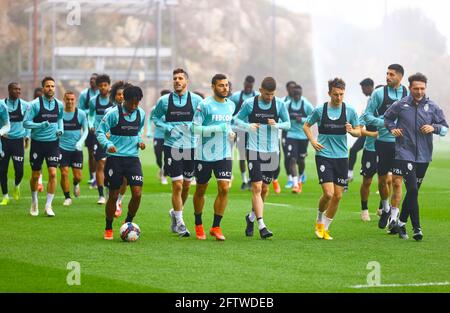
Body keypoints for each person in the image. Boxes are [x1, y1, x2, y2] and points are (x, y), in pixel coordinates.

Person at [384, 73, 448, 240]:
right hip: (405, 153)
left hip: (424, 155)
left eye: (422, 88)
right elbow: (387, 119)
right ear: (410, 87)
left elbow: (445, 128)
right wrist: (392, 129)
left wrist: (433, 128)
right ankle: (417, 228)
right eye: (416, 88)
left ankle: (401, 222)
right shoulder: (401, 104)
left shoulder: (432, 106)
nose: (419, 91)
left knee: (413, 192)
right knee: (412, 189)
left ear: (425, 88)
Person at [303, 78, 361, 240]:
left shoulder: (349, 111)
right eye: (335, 94)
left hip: (342, 157)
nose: (339, 97)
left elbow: (359, 131)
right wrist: (313, 141)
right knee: (328, 194)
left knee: (338, 196)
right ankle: (319, 219)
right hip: (324, 156)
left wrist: (351, 131)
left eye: (341, 94)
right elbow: (306, 126)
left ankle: (325, 229)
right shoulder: (319, 110)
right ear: (329, 93)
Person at [235, 77, 291, 239]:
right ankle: (261, 225)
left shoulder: (279, 104)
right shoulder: (249, 103)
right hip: (253, 150)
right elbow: (236, 119)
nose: (269, 97)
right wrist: (247, 126)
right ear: (260, 90)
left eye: (272, 94)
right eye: (267, 94)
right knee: (257, 188)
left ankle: (251, 217)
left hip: (272, 151)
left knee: (265, 189)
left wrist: (277, 125)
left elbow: (288, 124)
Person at [151, 68, 203, 237]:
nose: (177, 81)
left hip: (191, 148)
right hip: (172, 147)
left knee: (187, 186)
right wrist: (167, 127)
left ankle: (175, 213)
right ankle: (180, 223)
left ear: (186, 81)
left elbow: (202, 119)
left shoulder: (196, 100)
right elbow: (155, 118)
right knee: (178, 185)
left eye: (180, 78)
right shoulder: (164, 101)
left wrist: (195, 127)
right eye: (175, 78)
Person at [97, 85, 146, 240]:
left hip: (133, 159)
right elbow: (100, 131)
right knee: (113, 195)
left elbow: (138, 131)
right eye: (131, 102)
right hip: (115, 158)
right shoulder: (113, 114)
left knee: (137, 194)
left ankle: (128, 223)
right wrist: (108, 144)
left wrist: (139, 141)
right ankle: (108, 226)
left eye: (137, 102)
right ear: (124, 99)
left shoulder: (141, 113)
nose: (134, 106)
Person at [364, 64, 408, 233]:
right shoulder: (378, 94)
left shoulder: (408, 94)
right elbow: (366, 115)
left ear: (400, 77)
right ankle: (385, 207)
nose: (388, 77)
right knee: (383, 181)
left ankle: (394, 218)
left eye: (391, 74)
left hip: (402, 144)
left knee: (397, 181)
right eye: (387, 73)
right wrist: (384, 123)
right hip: (383, 142)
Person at [192, 74, 235, 241]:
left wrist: (230, 132)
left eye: (226, 85)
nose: (225, 88)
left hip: (224, 154)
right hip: (204, 155)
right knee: (201, 189)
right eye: (221, 85)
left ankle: (216, 226)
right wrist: (219, 128)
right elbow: (195, 128)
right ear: (213, 87)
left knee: (224, 188)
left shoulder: (231, 105)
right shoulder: (204, 105)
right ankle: (198, 223)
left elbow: (228, 124)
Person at [24, 76, 64, 217]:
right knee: (35, 175)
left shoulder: (59, 104)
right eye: (47, 86)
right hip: (37, 143)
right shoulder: (34, 104)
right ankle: (34, 201)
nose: (50, 88)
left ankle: (48, 206)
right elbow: (26, 123)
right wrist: (40, 125)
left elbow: (60, 119)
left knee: (53, 173)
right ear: (43, 88)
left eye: (52, 86)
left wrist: (61, 129)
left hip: (53, 143)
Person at [0, 83, 29, 205]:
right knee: (2, 170)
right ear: (9, 90)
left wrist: (27, 136)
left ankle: (17, 186)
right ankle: (5, 196)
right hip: (4, 141)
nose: (18, 91)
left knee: (19, 170)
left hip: (18, 142)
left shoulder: (25, 105)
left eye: (19, 89)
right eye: (15, 89)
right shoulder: (1, 104)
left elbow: (28, 122)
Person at [228, 75, 258, 191]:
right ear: (244, 84)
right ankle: (244, 180)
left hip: (251, 130)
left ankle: (251, 179)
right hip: (236, 129)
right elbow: (227, 108)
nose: (248, 88)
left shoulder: (256, 97)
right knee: (241, 155)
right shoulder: (236, 96)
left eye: (250, 86)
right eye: (247, 85)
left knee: (251, 156)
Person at [59, 91, 88, 206]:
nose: (70, 102)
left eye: (72, 99)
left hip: (76, 150)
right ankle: (67, 197)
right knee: (64, 173)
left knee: (78, 177)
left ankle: (76, 184)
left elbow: (86, 130)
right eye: (67, 99)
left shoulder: (80, 114)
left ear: (75, 100)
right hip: (62, 148)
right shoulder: (60, 113)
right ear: (64, 100)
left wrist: (80, 142)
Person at [108, 80, 132, 217]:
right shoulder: (109, 112)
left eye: (123, 94)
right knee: (112, 182)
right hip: (113, 151)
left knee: (125, 180)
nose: (121, 97)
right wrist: (107, 135)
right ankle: (112, 200)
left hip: (129, 151)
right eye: (118, 94)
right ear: (114, 96)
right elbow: (102, 129)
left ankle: (118, 202)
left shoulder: (134, 112)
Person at [284, 84, 314, 194]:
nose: (296, 96)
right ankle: (295, 184)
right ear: (292, 94)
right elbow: (281, 116)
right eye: (295, 94)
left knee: (301, 160)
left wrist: (302, 119)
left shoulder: (306, 105)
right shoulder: (287, 105)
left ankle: (301, 176)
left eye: (298, 94)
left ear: (301, 94)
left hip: (303, 136)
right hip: (291, 135)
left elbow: (314, 116)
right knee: (292, 159)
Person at [89, 74, 112, 204]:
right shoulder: (93, 101)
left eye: (105, 85)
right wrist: (91, 125)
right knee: (100, 164)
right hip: (99, 136)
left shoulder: (113, 100)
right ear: (97, 87)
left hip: (113, 137)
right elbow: (91, 115)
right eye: (101, 86)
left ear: (109, 86)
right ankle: (101, 195)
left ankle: (110, 189)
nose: (103, 88)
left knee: (111, 164)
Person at [347, 78, 374, 182]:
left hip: (375, 134)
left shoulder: (375, 98)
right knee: (353, 150)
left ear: (369, 87)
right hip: (367, 133)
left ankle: (383, 182)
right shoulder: (370, 99)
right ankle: (349, 173)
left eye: (363, 88)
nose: (362, 91)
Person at [274, 80, 297, 192]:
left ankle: (298, 176)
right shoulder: (283, 101)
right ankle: (289, 178)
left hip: (297, 134)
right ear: (287, 89)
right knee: (286, 156)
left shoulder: (301, 101)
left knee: (295, 158)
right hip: (285, 133)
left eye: (294, 87)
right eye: (290, 88)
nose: (292, 90)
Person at [78, 73, 99, 188]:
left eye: (94, 79)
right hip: (90, 128)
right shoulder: (84, 94)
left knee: (102, 155)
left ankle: (102, 177)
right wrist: (90, 112)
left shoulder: (104, 95)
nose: (92, 81)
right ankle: (93, 177)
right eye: (91, 79)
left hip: (102, 128)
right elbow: (79, 110)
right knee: (91, 153)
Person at [358, 113, 379, 221]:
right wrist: (373, 134)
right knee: (367, 182)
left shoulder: (392, 110)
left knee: (388, 181)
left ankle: (382, 207)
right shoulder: (367, 113)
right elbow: (358, 129)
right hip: (370, 151)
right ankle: (364, 209)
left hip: (387, 150)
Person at [147, 89, 171, 185]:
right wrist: (149, 131)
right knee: (158, 156)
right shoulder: (155, 108)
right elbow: (150, 120)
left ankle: (164, 176)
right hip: (157, 136)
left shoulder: (172, 109)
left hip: (168, 137)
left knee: (167, 157)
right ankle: (161, 169)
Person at [33, 87, 45, 192]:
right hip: (37, 139)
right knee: (38, 164)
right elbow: (27, 123)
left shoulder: (52, 105)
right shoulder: (32, 106)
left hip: (50, 140)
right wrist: (27, 136)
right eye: (37, 97)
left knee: (52, 168)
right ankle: (40, 182)